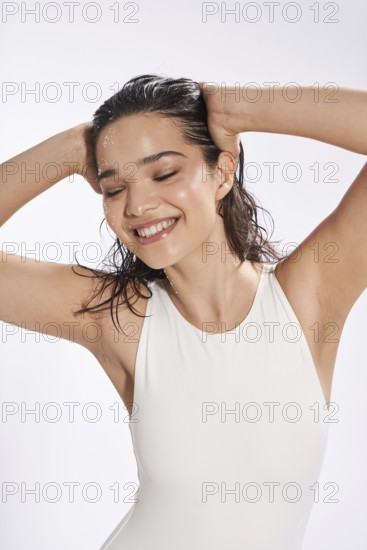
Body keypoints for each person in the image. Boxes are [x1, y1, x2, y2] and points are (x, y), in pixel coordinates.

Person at [1, 74, 366, 549]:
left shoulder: (308, 297)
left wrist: (242, 107)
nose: (137, 204)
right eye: (113, 188)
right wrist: (71, 148)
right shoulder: (118, 318)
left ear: (222, 172)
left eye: (164, 172)